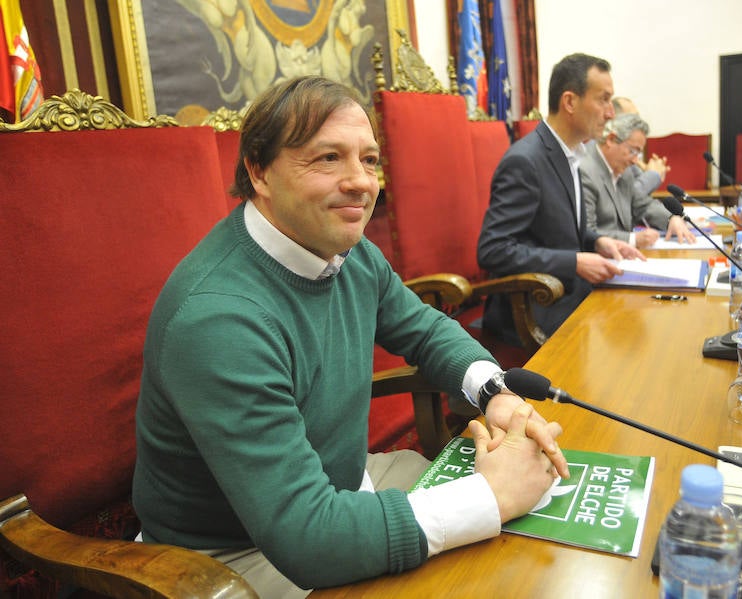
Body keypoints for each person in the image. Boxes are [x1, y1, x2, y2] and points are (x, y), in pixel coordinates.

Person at [132, 76, 568, 598]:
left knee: (525, 560)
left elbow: (426, 329)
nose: (360, 181)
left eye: (369, 159)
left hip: (341, 487)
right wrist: (492, 496)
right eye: (327, 158)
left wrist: (494, 395)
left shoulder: (343, 245)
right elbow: (306, 538)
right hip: (228, 558)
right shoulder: (217, 319)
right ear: (259, 171)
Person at [477, 53, 644, 345]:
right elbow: (493, 250)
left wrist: (596, 241)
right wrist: (575, 262)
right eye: (603, 100)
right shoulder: (526, 161)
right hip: (533, 310)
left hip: (568, 294)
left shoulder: (571, 153)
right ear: (570, 102)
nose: (610, 113)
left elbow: (556, 229)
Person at [582, 113, 696, 248]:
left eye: (638, 153)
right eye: (632, 151)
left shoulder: (624, 170)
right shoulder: (585, 170)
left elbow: (642, 205)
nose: (635, 160)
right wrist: (632, 239)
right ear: (611, 140)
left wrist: (671, 219)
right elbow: (586, 232)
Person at [612, 95, 670, 197]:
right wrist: (652, 174)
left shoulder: (632, 158)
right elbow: (628, 198)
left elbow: (641, 203)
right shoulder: (612, 153)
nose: (639, 123)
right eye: (634, 119)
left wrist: (648, 173)